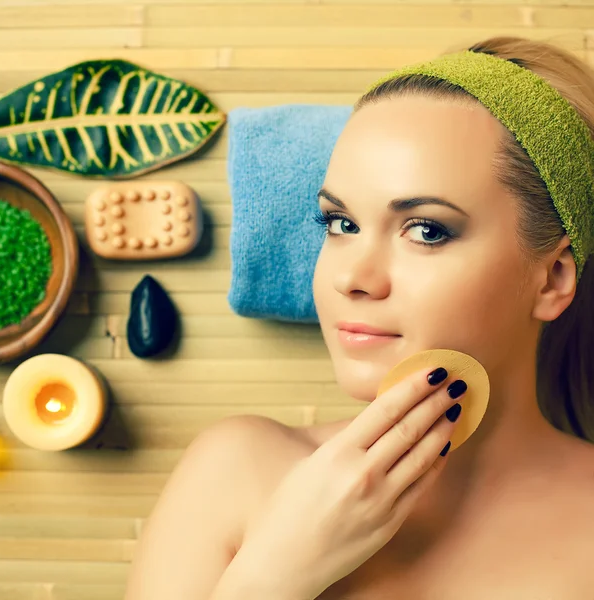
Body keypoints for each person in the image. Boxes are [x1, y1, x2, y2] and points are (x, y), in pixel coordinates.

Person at [124, 35, 594, 599]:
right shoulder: (235, 471)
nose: (352, 277)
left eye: (426, 230)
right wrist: (273, 573)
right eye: (340, 224)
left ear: (553, 279)